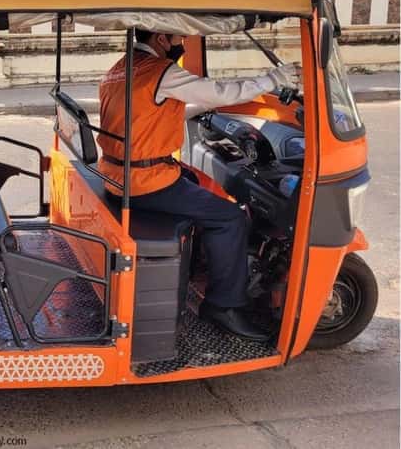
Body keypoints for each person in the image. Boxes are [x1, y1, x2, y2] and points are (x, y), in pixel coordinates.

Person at [97, 29, 298, 341]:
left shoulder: (121, 68)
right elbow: (218, 91)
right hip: (144, 183)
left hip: (120, 175)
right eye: (178, 38)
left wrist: (201, 108)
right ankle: (224, 305)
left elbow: (148, 114)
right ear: (161, 39)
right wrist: (274, 79)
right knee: (230, 218)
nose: (180, 44)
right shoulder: (159, 71)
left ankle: (201, 268)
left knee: (194, 181)